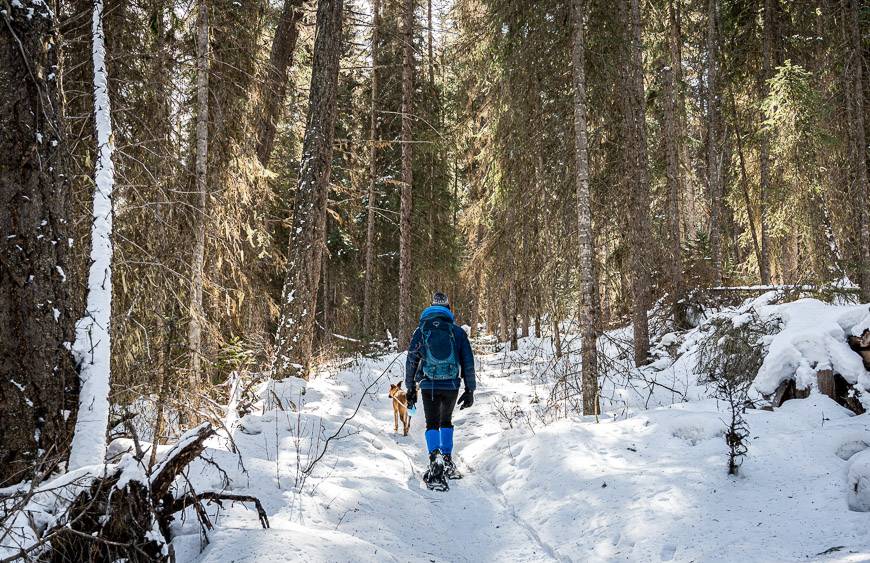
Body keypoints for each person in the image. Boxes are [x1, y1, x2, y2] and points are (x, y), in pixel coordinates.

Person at [405, 292, 475, 489]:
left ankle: (434, 459)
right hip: (452, 384)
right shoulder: (457, 332)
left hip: (429, 384)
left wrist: (410, 388)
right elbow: (468, 362)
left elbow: (411, 361)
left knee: (432, 423)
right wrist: (470, 389)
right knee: (446, 421)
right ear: (448, 309)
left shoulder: (421, 330)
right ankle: (447, 459)